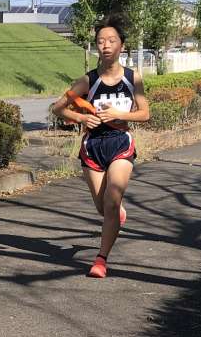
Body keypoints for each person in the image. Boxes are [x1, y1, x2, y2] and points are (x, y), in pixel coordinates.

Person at [52, 15, 150, 278]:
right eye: (100, 41)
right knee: (103, 207)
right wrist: (82, 118)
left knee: (112, 200)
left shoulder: (133, 78)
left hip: (120, 143)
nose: (106, 45)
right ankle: (116, 212)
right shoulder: (88, 80)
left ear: (122, 46)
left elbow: (145, 113)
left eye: (111, 40)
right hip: (93, 146)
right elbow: (58, 108)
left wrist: (119, 115)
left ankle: (101, 259)